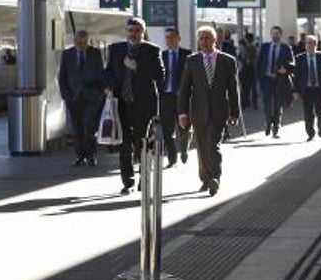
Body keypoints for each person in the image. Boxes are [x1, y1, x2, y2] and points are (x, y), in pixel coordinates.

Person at [103, 17, 164, 195]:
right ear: (126, 31)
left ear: (143, 32)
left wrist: (136, 67)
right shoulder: (116, 49)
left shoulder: (152, 50)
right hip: (120, 104)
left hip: (144, 104)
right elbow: (108, 72)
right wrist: (107, 85)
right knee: (124, 143)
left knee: (142, 143)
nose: (134, 34)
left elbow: (159, 75)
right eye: (130, 31)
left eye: (137, 31)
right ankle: (127, 182)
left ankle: (144, 178)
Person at [178, 26, 240, 196]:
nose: (204, 41)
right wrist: (182, 113)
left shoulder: (227, 60)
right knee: (202, 147)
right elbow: (184, 89)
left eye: (207, 38)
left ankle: (215, 178)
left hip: (219, 111)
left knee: (213, 144)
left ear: (215, 40)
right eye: (201, 38)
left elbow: (233, 89)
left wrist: (235, 112)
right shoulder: (192, 61)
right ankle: (205, 178)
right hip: (198, 112)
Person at [58, 29, 104, 166]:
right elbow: (62, 77)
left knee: (89, 125)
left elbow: (100, 73)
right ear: (75, 41)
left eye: (84, 42)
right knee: (77, 128)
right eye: (79, 42)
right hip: (73, 97)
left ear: (88, 41)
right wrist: (66, 95)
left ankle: (91, 155)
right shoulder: (67, 54)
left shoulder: (95, 53)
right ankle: (80, 156)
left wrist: (99, 92)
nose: (82, 45)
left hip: (92, 97)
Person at [158, 28, 192, 168]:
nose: (169, 40)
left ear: (178, 38)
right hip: (166, 96)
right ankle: (172, 158)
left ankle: (183, 149)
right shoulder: (161, 55)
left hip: (182, 96)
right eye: (166, 37)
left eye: (172, 37)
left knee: (184, 127)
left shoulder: (188, 55)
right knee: (167, 129)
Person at [256, 26, 294, 137]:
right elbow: (258, 63)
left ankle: (276, 127)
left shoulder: (286, 48)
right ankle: (268, 123)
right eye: (273, 33)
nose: (275, 36)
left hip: (279, 80)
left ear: (280, 35)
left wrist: (286, 70)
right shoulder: (264, 47)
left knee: (278, 105)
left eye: (277, 33)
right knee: (267, 103)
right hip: (266, 79)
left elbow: (292, 63)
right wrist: (259, 78)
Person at [293, 35, 321, 140]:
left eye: (312, 43)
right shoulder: (300, 58)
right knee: (308, 113)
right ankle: (310, 133)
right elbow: (296, 76)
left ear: (316, 45)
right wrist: (295, 91)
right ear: (305, 45)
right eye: (308, 43)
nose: (310, 45)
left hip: (319, 88)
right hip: (307, 89)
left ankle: (320, 125)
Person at [239, 32, 258, 109]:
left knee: (245, 87)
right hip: (253, 68)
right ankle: (253, 103)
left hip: (247, 68)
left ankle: (245, 103)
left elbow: (244, 58)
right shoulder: (254, 47)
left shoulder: (247, 48)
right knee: (253, 87)